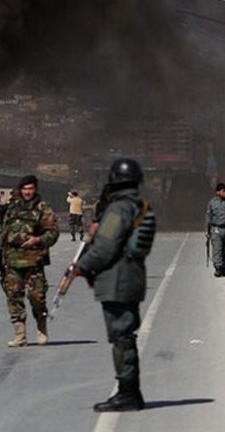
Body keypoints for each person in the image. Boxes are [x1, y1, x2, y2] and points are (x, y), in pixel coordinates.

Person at [71, 158, 155, 413]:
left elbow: (106, 246)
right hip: (132, 275)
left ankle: (128, 393)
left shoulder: (118, 209)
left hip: (117, 279)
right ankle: (131, 392)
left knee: (121, 337)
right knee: (125, 335)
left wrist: (82, 265)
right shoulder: (141, 206)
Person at [0, 174, 59, 347]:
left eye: (30, 189)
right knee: (13, 297)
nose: (27, 192)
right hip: (12, 261)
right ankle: (20, 335)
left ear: (35, 189)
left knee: (37, 298)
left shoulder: (42, 208)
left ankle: (41, 328)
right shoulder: (12, 208)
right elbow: (4, 230)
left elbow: (53, 233)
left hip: (34, 262)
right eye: (25, 189)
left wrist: (37, 240)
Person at [206, 182, 225, 277]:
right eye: (223, 191)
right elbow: (208, 217)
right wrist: (207, 231)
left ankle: (224, 268)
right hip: (216, 229)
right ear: (217, 192)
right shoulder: (212, 203)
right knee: (217, 249)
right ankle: (218, 268)